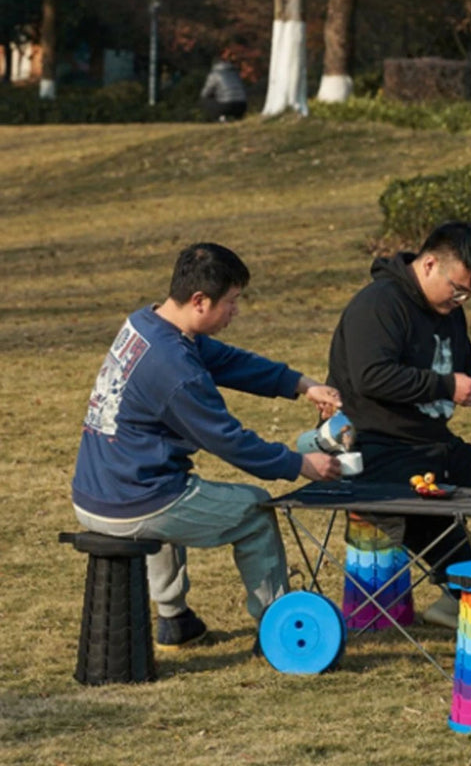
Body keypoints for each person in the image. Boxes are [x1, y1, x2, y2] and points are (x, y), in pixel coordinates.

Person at [71, 243, 342, 654]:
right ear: (200, 301)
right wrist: (299, 463)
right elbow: (227, 439)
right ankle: (277, 628)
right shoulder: (173, 368)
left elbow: (227, 361)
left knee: (172, 486)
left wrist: (301, 384)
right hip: (132, 499)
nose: (236, 311)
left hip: (97, 489)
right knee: (253, 511)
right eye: (231, 302)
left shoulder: (147, 323)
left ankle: (175, 619)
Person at [326, 220, 471, 629]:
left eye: (470, 294)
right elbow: (371, 376)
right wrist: (447, 386)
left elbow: (461, 363)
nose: (461, 300)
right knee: (432, 516)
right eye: (457, 288)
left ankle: (458, 590)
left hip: (435, 445)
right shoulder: (378, 304)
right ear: (429, 264)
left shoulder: (449, 311)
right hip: (378, 449)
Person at [200, 58, 248, 122]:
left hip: (226, 106)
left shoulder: (215, 74)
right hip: (242, 105)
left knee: (204, 100)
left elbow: (205, 93)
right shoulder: (235, 73)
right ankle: (237, 118)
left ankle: (220, 118)